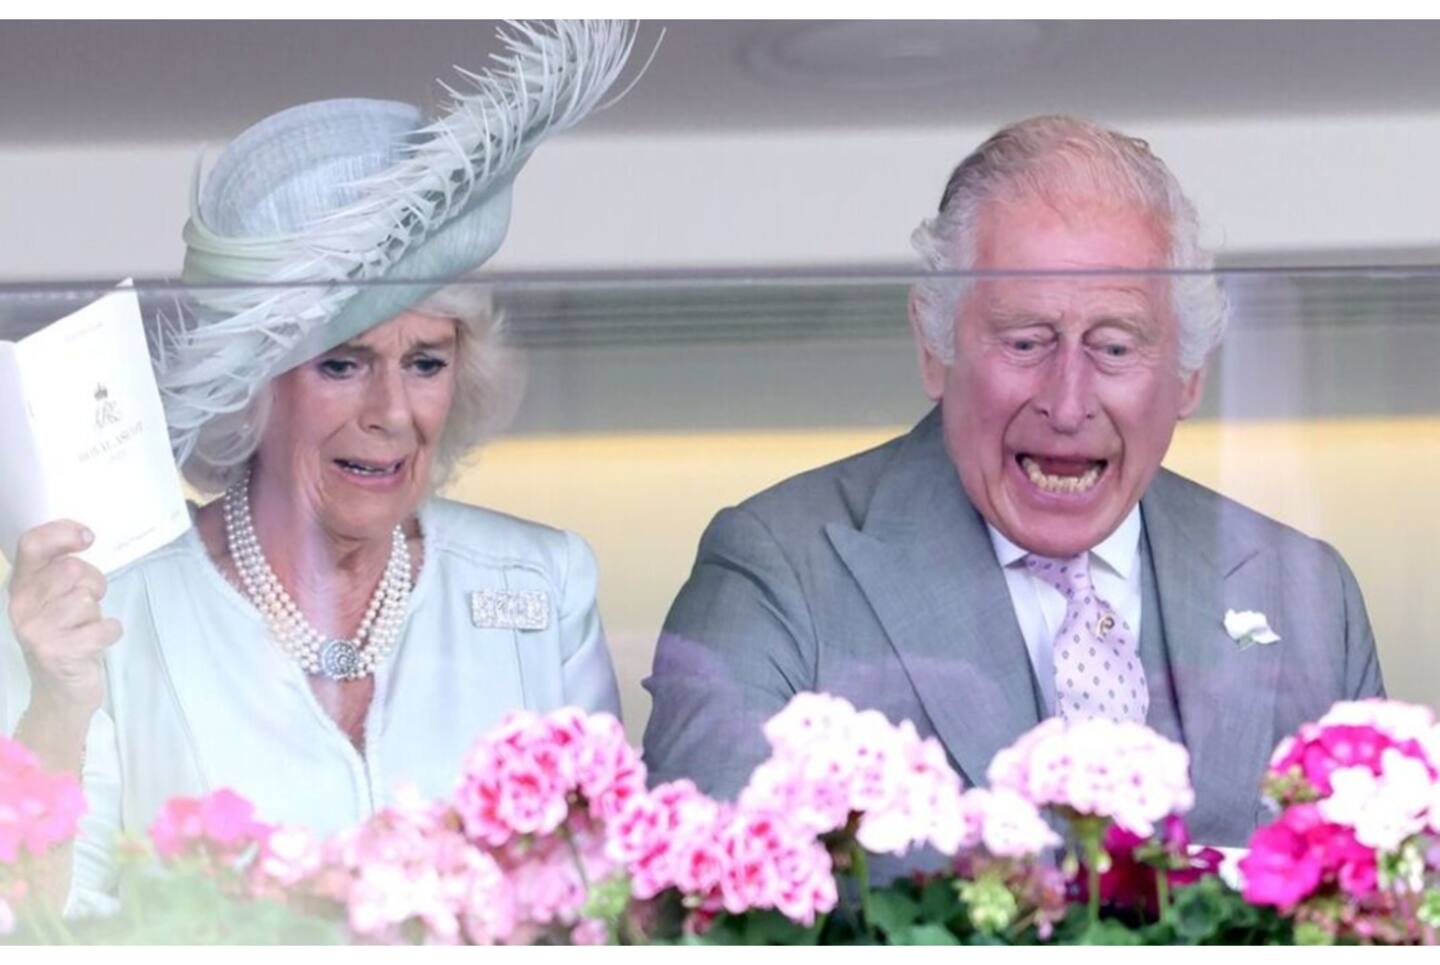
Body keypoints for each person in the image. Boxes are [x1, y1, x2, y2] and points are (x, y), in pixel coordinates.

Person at [0, 20, 637, 914]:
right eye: (342, 362)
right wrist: (57, 709)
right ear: (254, 388)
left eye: (426, 361)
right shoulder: (111, 604)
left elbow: (611, 904)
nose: (390, 410)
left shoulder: (542, 582)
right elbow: (31, 919)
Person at [642, 115, 1385, 850]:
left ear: (1189, 374)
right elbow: (708, 905)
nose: (1066, 402)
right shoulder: (777, 571)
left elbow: (1387, 912)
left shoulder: (1306, 591)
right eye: (1025, 341)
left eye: (1115, 346)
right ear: (935, 349)